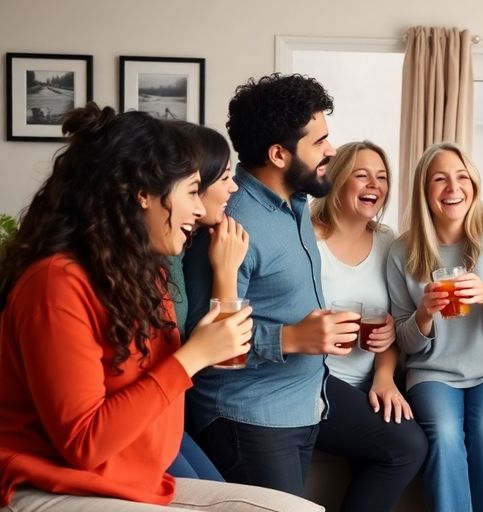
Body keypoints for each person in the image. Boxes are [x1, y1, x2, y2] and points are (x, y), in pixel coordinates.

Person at [0, 103, 322, 511]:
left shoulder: (146, 275)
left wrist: (205, 344)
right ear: (143, 196)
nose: (198, 208)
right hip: (53, 483)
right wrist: (192, 357)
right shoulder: (56, 283)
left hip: (134, 481)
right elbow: (85, 443)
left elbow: (210, 360)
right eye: (190, 192)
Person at [181, 73, 355, 496]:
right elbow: (199, 338)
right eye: (319, 142)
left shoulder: (297, 202)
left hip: (310, 389)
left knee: (403, 446)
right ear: (279, 154)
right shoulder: (229, 222)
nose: (332, 150)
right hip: (250, 410)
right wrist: (291, 337)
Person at [386, 142, 483, 512]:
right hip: (433, 372)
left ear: (474, 184)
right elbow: (405, 343)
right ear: (424, 190)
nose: (453, 188)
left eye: (461, 177)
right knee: (446, 435)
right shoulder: (402, 252)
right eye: (440, 179)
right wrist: (423, 314)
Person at [310, 140, 428, 512]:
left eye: (382, 177)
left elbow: (393, 324)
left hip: (370, 382)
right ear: (337, 179)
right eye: (362, 176)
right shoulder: (307, 238)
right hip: (318, 381)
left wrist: (385, 377)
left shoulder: (387, 240)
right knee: (408, 446)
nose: (374, 185)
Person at [166, 123, 248, 482]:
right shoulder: (164, 250)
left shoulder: (186, 243)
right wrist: (227, 271)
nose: (234, 187)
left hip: (170, 413)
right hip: (158, 410)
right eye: (225, 177)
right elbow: (226, 355)